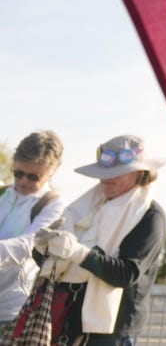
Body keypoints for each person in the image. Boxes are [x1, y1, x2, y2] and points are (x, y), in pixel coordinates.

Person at [36, 135, 166, 346]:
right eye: (104, 172)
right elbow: (54, 263)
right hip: (65, 321)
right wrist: (42, 248)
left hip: (111, 333)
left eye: (117, 173)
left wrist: (78, 252)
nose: (107, 178)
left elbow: (126, 274)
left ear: (139, 174)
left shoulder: (150, 216)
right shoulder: (83, 209)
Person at [1, 131, 67, 329]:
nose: (23, 181)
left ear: (51, 172)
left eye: (33, 177)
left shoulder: (54, 204)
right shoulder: (3, 193)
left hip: (11, 310)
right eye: (18, 173)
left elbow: (29, 243)